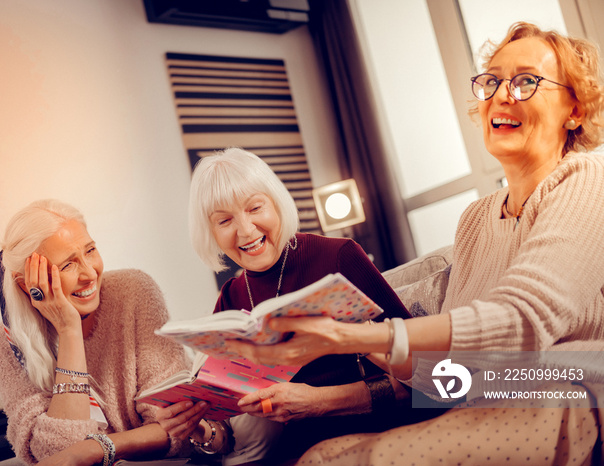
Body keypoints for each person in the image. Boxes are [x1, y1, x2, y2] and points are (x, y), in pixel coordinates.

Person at [225, 22, 604, 465]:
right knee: (320, 454)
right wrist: (326, 386)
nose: (502, 95)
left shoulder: (586, 181)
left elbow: (522, 320)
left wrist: (349, 336)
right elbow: (445, 380)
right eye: (493, 80)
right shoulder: (477, 220)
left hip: (558, 400)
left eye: (525, 81)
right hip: (483, 399)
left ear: (574, 110)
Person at [156, 147, 427, 464]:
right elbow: (231, 433)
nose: (245, 230)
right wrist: (200, 431)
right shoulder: (231, 298)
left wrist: (319, 401)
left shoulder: (339, 257)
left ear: (276, 203)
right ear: (211, 232)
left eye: (255, 207)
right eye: (225, 220)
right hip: (293, 454)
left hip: (374, 437)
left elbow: (429, 378)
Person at [0, 199, 190, 465]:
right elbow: (58, 453)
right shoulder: (3, 346)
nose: (89, 273)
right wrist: (69, 331)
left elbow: (176, 423)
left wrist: (97, 449)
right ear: (27, 285)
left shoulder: (133, 293)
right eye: (68, 265)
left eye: (90, 250)